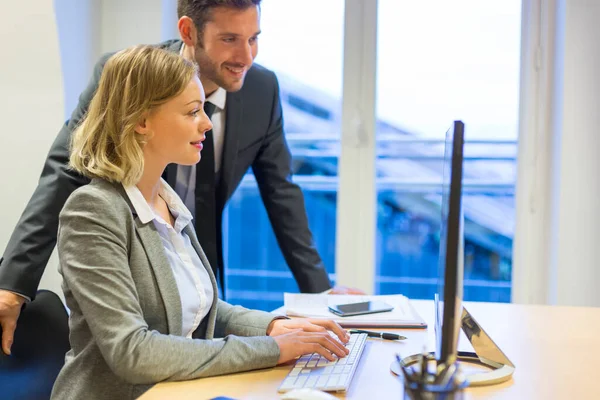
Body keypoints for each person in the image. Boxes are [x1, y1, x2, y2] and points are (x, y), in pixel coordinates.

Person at [0, 0, 364, 356]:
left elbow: (282, 193)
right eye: (229, 39)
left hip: (193, 251)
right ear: (189, 31)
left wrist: (318, 295)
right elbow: (65, 171)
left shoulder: (261, 89)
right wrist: (12, 285)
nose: (246, 57)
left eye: (253, 38)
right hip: (133, 263)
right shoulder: (131, 78)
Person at [50, 45, 350, 400]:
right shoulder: (93, 211)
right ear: (142, 122)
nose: (207, 122)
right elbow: (133, 351)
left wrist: (277, 326)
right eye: (193, 112)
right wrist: (274, 348)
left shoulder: (166, 200)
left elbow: (202, 308)